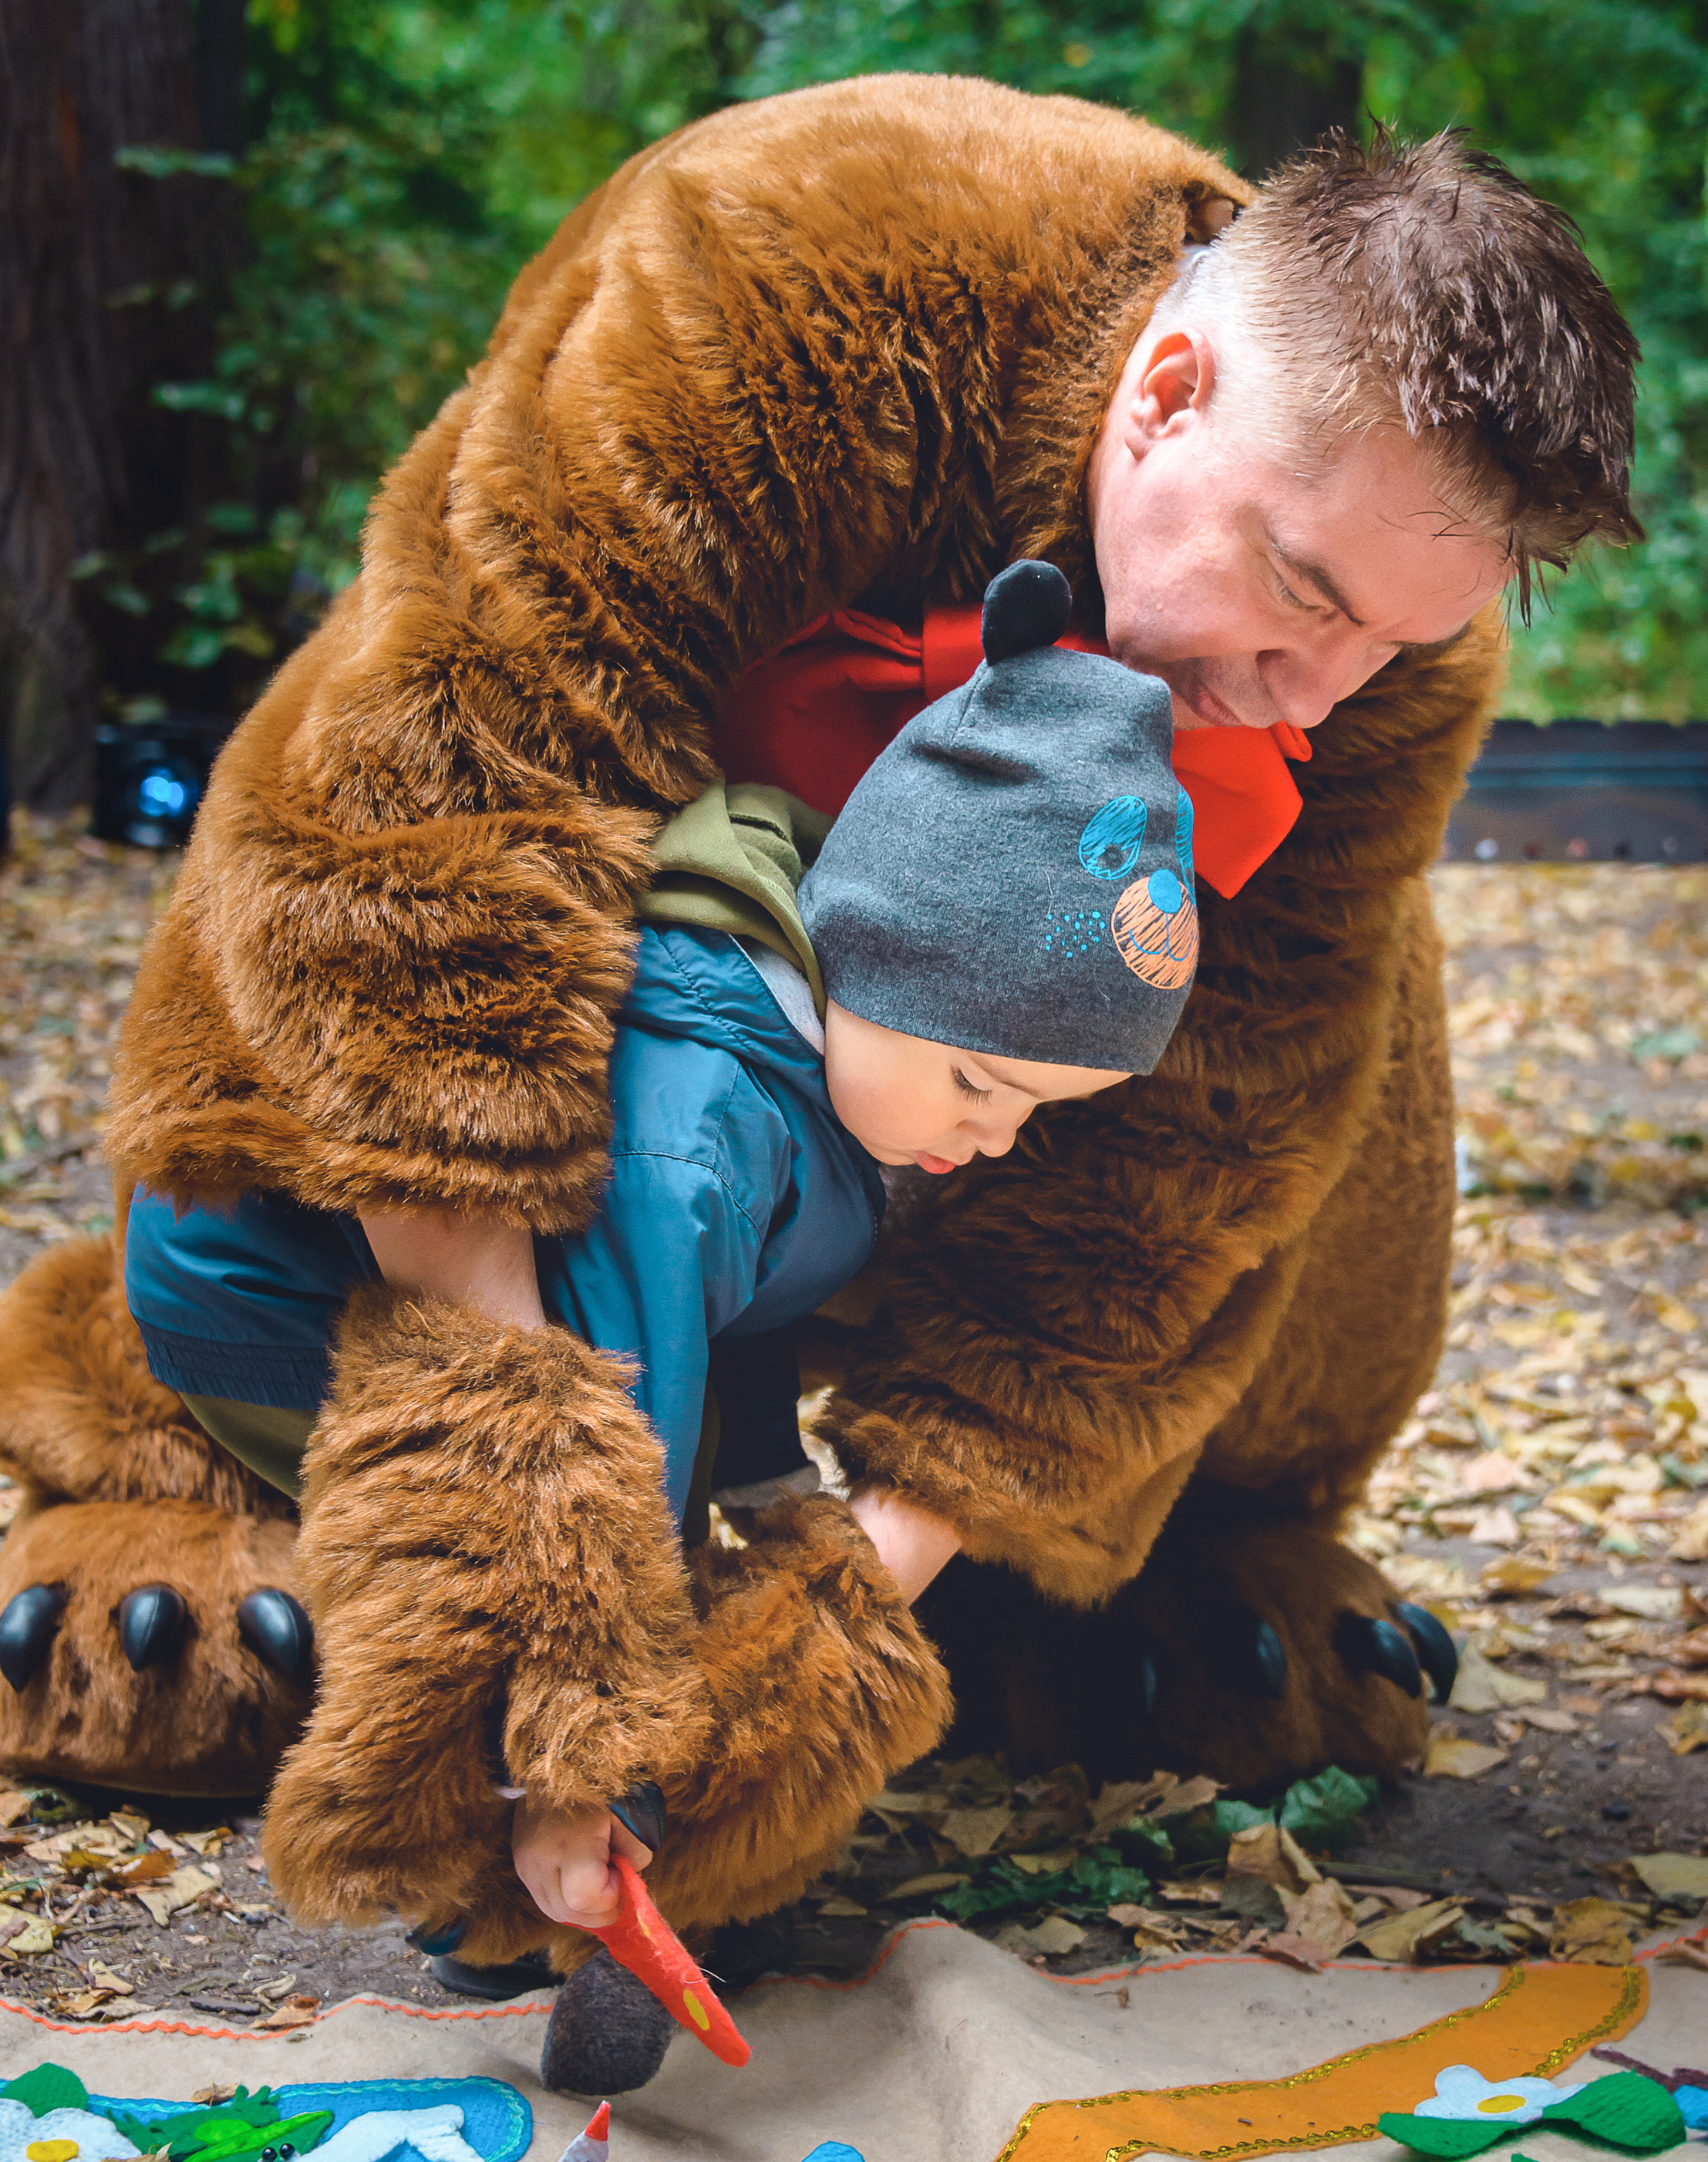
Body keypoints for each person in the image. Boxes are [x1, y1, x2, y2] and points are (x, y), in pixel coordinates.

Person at [0, 83, 1641, 2043]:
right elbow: (431, 816)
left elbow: (1210, 1143)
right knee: (345, 976)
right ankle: (158, 1456)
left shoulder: (1370, 651)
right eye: (1298, 588)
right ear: (1169, 388)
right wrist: (520, 1490)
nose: (1310, 691)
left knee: (1334, 1075)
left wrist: (851, 1604)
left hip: (940, 1106)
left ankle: (1145, 1546)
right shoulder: (793, 265)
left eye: (1391, 637)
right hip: (605, 1005)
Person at [119, 559, 1200, 2081]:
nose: (994, 1138)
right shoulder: (688, 1138)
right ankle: (485, 1860)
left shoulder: (838, 1085)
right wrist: (584, 1766)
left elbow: (747, 1306)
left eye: (1035, 1111)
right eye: (980, 1083)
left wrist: (768, 1492)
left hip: (602, 1329)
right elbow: (592, 1457)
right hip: (274, 1307)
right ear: (879, 956)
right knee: (536, 1544)